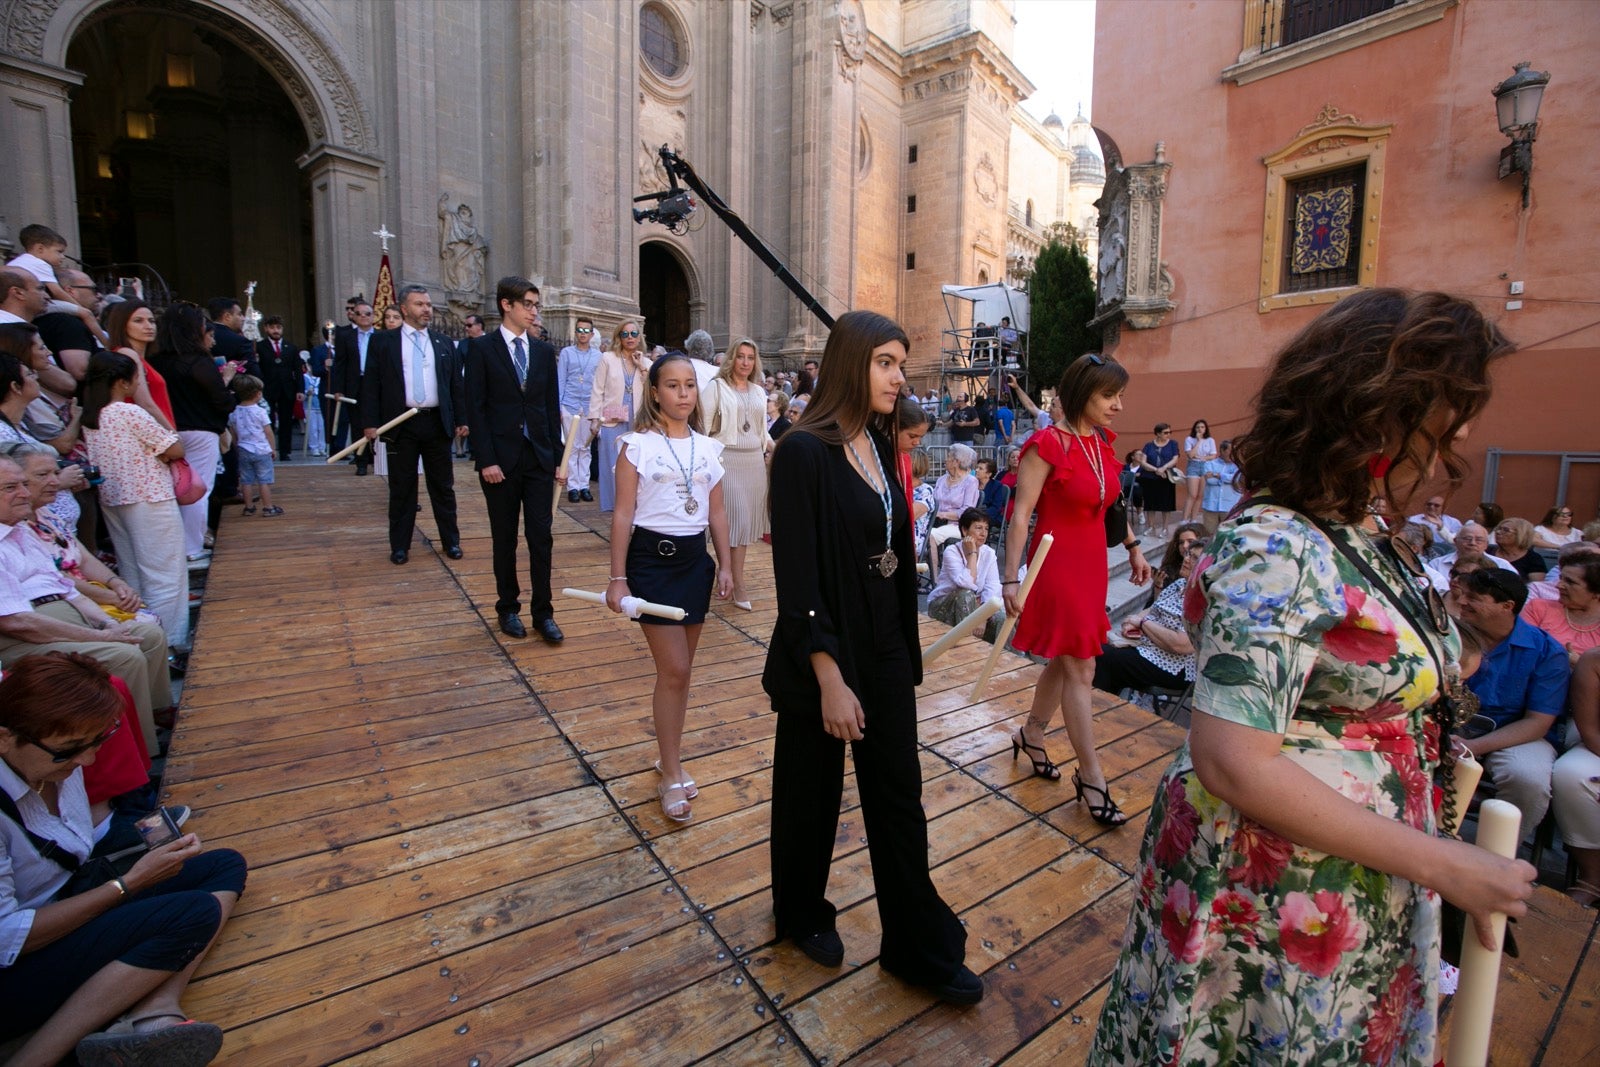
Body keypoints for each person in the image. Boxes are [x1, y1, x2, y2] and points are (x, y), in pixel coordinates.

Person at [1089, 288, 1535, 1065]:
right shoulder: (1277, 543)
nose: (1462, 430)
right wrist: (1448, 864)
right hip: (1270, 898)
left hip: (1353, 872)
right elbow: (1234, 756)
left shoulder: (1365, 532)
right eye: (1449, 406)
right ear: (1377, 406)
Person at [765, 309, 983, 1006]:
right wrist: (827, 673)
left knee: (899, 793)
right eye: (886, 362)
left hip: (886, 644)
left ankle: (914, 946)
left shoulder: (882, 442)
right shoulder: (803, 450)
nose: (899, 376)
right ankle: (801, 912)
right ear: (852, 362)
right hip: (821, 648)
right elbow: (796, 577)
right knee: (811, 792)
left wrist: (899, 648)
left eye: (901, 363)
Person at [0, 652, 246, 1067]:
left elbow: (79, 845)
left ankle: (154, 1005)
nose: (88, 761)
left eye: (97, 742)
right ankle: (34, 1057)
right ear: (4, 737)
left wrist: (144, 847)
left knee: (223, 865)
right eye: (69, 751)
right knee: (191, 913)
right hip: (14, 966)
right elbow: (8, 938)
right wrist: (127, 886)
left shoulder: (54, 761)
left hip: (61, 903)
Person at [1003, 353, 1151, 822]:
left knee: (1068, 662)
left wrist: (1132, 546)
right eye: (1109, 395)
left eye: (1120, 395)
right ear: (1081, 392)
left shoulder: (1100, 444)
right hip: (1056, 565)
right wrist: (1011, 578)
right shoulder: (1046, 444)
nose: (1118, 406)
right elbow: (1020, 515)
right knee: (1082, 668)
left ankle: (1031, 734)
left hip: (1090, 564)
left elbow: (1111, 504)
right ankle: (1092, 777)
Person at [605, 352, 733, 821]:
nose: (683, 394)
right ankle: (672, 770)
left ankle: (668, 754)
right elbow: (622, 513)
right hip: (651, 564)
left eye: (689, 386)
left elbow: (716, 511)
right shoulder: (635, 445)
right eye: (673, 386)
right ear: (654, 391)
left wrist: (725, 566)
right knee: (675, 669)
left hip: (694, 564)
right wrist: (617, 578)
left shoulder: (709, 448)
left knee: (680, 674)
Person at [0, 456, 172, 751]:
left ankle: (157, 715)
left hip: (63, 620)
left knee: (147, 635)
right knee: (124, 655)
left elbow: (66, 589)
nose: (26, 493)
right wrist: (102, 635)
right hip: (23, 637)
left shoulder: (21, 532)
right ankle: (139, 755)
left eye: (24, 485)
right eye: (11, 487)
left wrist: (109, 623)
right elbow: (17, 622)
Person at [463, 277, 564, 642]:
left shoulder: (541, 352)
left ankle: (544, 613)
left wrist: (557, 459)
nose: (534, 311)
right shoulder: (482, 350)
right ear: (507, 304)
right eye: (529, 304)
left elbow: (550, 408)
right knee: (504, 539)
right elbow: (475, 408)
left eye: (536, 305)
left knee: (541, 537)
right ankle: (508, 607)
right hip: (500, 463)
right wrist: (486, 459)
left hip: (538, 458)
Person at [79, 353, 190, 651]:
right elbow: (175, 447)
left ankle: (142, 632)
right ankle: (169, 642)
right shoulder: (128, 413)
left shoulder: (91, 416)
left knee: (132, 570)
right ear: (122, 381)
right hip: (149, 495)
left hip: (114, 498)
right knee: (165, 573)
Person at [359, 286, 468, 567]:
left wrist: (461, 419)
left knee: (443, 486)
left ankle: (451, 541)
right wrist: (370, 423)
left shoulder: (443, 343)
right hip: (401, 424)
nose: (427, 309)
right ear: (404, 309)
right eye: (419, 304)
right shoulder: (383, 342)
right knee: (402, 488)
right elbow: (371, 384)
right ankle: (400, 546)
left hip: (435, 423)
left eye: (429, 304)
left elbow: (455, 384)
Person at [1457, 568, 1570, 838]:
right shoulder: (1448, 635)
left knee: (1528, 779)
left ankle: (1496, 856)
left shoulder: (1547, 651)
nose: (1462, 602)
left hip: (1515, 733)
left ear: (1507, 606)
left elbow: (1537, 723)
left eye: (1473, 598)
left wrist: (1472, 747)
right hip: (1447, 723)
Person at [149, 305, 236, 564]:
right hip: (200, 430)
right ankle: (191, 546)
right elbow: (220, 400)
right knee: (198, 489)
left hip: (165, 430)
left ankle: (173, 544)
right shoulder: (199, 362)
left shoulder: (155, 361)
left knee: (170, 489)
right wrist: (228, 383)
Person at [701, 337, 770, 610]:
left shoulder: (758, 391)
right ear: (731, 358)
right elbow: (702, 427)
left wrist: (782, 447)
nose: (745, 362)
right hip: (726, 460)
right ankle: (734, 581)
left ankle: (728, 577)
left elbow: (761, 430)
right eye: (740, 356)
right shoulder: (716, 388)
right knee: (734, 522)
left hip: (754, 462)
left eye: (750, 358)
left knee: (741, 526)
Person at [1095, 536, 1201, 700]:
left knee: (1104, 656)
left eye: (1194, 557)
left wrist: (1143, 623)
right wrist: (1132, 621)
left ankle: (1095, 707)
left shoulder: (1201, 599)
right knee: (1097, 644)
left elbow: (1180, 645)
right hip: (1147, 649)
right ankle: (1099, 706)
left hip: (1174, 667)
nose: (1186, 559)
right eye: (1187, 554)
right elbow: (1154, 608)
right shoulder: (1180, 584)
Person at [1552, 646, 1600, 907]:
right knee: (1570, 775)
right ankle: (1593, 877)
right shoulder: (1594, 660)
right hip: (1596, 744)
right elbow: (1590, 731)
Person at [588, 320, 653, 512]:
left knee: (636, 468)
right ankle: (617, 510)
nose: (630, 338)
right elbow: (597, 389)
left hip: (639, 422)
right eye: (625, 334)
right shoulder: (608, 358)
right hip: (611, 421)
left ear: (639, 337)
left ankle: (636, 509)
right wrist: (594, 418)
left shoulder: (646, 362)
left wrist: (640, 364)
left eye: (634, 334)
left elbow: (652, 389)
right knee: (612, 466)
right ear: (619, 337)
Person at [928, 508, 1002, 642]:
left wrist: (983, 617)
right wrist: (972, 554)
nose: (983, 533)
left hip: (975, 604)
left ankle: (997, 659)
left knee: (1000, 615)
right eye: (978, 528)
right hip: (943, 605)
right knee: (965, 594)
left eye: (986, 528)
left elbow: (994, 587)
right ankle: (967, 648)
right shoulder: (952, 552)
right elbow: (966, 584)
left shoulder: (989, 553)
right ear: (964, 530)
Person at [1521, 555, 1600, 665]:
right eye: (1560, 578)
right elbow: (1523, 651)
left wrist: (1581, 665)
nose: (1559, 585)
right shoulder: (1538, 608)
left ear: (1596, 592)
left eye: (1570, 582)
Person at [557, 316, 602, 503]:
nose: (583, 334)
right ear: (575, 332)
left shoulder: (598, 356)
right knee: (572, 447)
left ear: (591, 334)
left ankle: (584, 485)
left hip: (589, 405)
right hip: (570, 403)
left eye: (586, 331)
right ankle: (573, 486)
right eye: (579, 330)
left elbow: (599, 384)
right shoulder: (567, 353)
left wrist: (598, 411)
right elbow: (561, 379)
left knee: (585, 447)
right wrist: (559, 406)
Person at [329, 302, 376, 473]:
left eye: (367, 313)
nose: (363, 316)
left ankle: (376, 458)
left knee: (377, 422)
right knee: (357, 424)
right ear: (354, 316)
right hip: (355, 385)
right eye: (359, 313)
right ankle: (361, 462)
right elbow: (340, 364)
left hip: (376, 386)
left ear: (373, 316)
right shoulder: (346, 337)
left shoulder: (382, 336)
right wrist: (338, 388)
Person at [227, 376, 280, 517]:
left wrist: (237, 446)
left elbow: (233, 433)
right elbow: (268, 432)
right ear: (258, 394)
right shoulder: (260, 412)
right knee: (264, 480)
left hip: (243, 449)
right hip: (261, 449)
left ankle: (248, 507)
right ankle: (268, 507)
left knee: (246, 480)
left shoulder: (234, 413)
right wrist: (273, 448)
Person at [253, 316, 299, 461]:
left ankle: (285, 451)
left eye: (278, 327)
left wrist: (300, 390)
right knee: (268, 420)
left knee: (286, 421)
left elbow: (297, 370)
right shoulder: (259, 347)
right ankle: (269, 449)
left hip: (287, 389)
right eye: (272, 328)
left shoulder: (290, 347)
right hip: (267, 389)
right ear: (266, 328)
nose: (275, 331)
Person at [1136, 422, 1180, 538]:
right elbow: (1143, 462)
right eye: (1166, 432)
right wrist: (1156, 469)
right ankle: (1151, 526)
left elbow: (1175, 459)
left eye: (1170, 432)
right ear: (1158, 433)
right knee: (1150, 503)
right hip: (1150, 477)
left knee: (1166, 504)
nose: (1168, 434)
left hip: (1166, 477)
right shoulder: (1149, 445)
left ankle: (1165, 528)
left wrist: (1164, 468)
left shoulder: (1173, 444)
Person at [1436, 520, 1516, 574]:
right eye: (1467, 539)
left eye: (1479, 540)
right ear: (1455, 541)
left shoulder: (1502, 565)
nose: (1472, 543)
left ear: (1486, 544)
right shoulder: (1437, 564)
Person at [931, 442, 979, 526]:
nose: (945, 459)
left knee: (930, 535)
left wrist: (942, 515)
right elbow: (932, 501)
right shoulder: (941, 480)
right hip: (935, 522)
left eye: (948, 456)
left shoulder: (971, 481)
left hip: (957, 525)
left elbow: (967, 511)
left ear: (956, 462)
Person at [1200, 437, 1241, 533]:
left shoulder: (1238, 466)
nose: (1233, 454)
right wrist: (1227, 479)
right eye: (1231, 450)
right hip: (1211, 505)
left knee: (1228, 534)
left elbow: (1236, 478)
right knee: (1209, 535)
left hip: (1230, 506)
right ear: (1222, 450)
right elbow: (1210, 481)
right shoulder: (1209, 464)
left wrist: (1217, 475)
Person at [1180, 418, 1216, 522]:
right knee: (1192, 494)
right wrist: (1199, 441)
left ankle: (1194, 518)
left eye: (1202, 427)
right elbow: (1190, 455)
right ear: (1194, 429)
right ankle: (1184, 519)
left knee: (1200, 495)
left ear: (1206, 428)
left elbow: (1213, 455)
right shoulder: (1189, 439)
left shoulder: (1210, 440)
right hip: (1193, 466)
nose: (1200, 429)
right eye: (1198, 427)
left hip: (1205, 466)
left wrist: (1203, 458)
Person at [300, 357, 325, 457]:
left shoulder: (320, 377)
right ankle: (314, 447)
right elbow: (303, 391)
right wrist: (307, 393)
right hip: (309, 406)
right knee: (312, 427)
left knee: (322, 427)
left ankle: (322, 447)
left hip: (320, 405)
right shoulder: (304, 377)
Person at [974, 457, 1007, 531]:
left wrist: (980, 515)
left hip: (990, 515)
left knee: (976, 522)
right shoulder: (973, 483)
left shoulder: (996, 486)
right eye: (977, 468)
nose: (976, 470)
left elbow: (996, 507)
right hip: (973, 514)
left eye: (980, 468)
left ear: (988, 474)